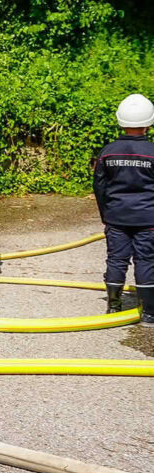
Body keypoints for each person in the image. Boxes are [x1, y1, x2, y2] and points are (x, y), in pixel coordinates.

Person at [92, 93, 154, 323]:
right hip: (148, 220)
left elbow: (99, 186)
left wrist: (106, 215)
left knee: (116, 260)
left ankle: (113, 306)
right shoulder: (152, 152)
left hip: (116, 217)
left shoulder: (108, 151)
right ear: (149, 123)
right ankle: (149, 313)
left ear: (120, 120)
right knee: (146, 260)